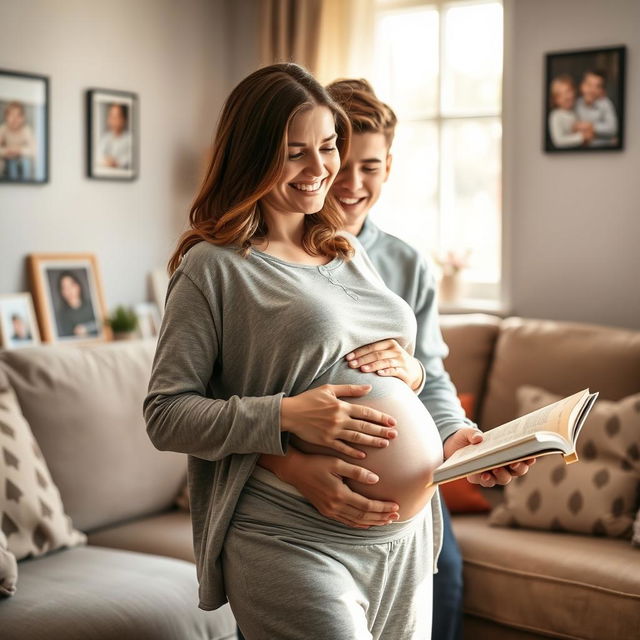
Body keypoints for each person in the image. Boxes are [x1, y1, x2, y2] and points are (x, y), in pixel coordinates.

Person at [144, 63, 533, 639]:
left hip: (403, 541)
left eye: (327, 146)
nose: (322, 168)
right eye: (295, 151)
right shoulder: (214, 267)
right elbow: (166, 414)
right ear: (251, 154)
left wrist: (436, 406)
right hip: (292, 532)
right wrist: (286, 416)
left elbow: (391, 361)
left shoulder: (344, 247)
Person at [259, 78, 536, 640]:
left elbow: (431, 375)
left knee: (448, 573)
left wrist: (455, 433)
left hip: (401, 498)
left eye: (372, 167)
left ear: (389, 166)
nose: (353, 184)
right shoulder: (263, 260)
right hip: (294, 484)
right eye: (343, 163)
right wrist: (289, 464)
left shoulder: (406, 264)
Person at [548, 74, 593, 149]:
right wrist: (581, 137)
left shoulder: (575, 112)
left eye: (569, 91)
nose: (568, 96)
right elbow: (558, 141)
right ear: (555, 100)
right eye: (561, 94)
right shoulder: (556, 115)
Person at [575, 70, 618, 147]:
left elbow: (612, 128)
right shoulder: (576, 104)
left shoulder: (605, 103)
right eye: (589, 85)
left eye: (597, 86)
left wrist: (590, 126)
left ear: (602, 91)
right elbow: (573, 127)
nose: (592, 90)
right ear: (582, 86)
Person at [54, 270, 98, 338]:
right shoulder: (62, 314)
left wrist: (87, 328)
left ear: (78, 286)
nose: (69, 291)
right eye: (65, 288)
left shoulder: (92, 305)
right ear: (62, 292)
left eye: (71, 285)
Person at [0, 101, 36, 180]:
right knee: (10, 164)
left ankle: (27, 183)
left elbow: (34, 150)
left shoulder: (26, 130)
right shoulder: (3, 129)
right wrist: (7, 151)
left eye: (18, 115)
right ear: (6, 117)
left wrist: (19, 150)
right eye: (11, 115)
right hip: (8, 158)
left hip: (22, 158)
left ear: (23, 118)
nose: (14, 119)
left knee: (26, 162)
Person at [97, 103, 132, 169]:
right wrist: (106, 161)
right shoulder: (105, 138)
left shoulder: (130, 139)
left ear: (124, 119)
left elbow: (130, 158)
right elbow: (97, 156)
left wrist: (116, 162)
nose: (113, 120)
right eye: (111, 116)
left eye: (117, 116)